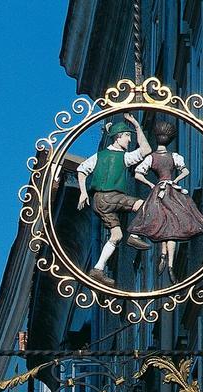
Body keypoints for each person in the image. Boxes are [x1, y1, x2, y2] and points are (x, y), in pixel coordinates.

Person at [77, 112, 153, 287]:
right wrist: (136, 125)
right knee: (143, 205)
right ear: (118, 138)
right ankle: (133, 235)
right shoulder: (123, 157)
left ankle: (98, 268)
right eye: (127, 137)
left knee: (116, 235)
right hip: (111, 196)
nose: (128, 140)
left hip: (98, 201)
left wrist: (84, 192)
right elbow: (146, 150)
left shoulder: (99, 156)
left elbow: (82, 169)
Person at [129, 117, 203, 282]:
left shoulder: (151, 158)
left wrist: (151, 184)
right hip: (172, 191)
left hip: (159, 190)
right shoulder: (174, 156)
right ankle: (170, 263)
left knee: (160, 220)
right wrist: (175, 181)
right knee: (172, 223)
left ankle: (164, 254)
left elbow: (138, 173)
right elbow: (185, 171)